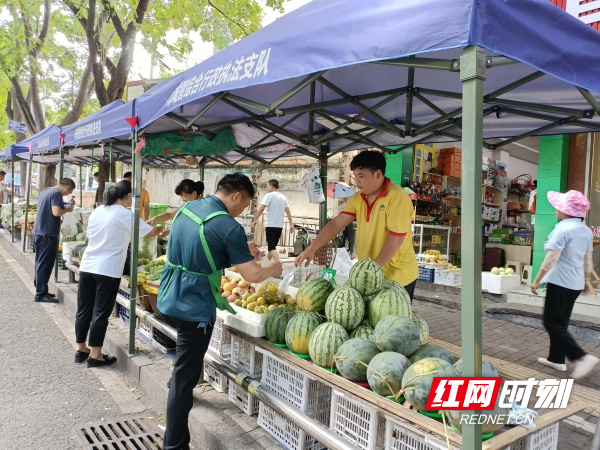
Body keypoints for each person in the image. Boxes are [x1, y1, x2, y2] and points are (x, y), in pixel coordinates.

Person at [157, 173, 282, 450]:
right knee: (184, 378)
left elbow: (200, 246)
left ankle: (179, 386)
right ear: (237, 196)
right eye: (246, 204)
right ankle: (174, 444)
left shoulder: (188, 207)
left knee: (183, 366)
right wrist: (273, 268)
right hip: (194, 304)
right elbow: (252, 274)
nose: (242, 210)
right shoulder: (228, 226)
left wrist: (241, 249)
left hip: (169, 295)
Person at [296, 150, 418, 300]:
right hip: (369, 275)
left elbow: (396, 238)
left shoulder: (397, 197)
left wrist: (373, 269)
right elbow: (336, 224)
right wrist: (312, 248)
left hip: (397, 276)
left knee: (393, 322)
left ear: (378, 174)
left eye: (361, 176)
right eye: (355, 177)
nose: (356, 182)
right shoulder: (358, 198)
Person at [74, 181, 164, 366]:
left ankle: (81, 349)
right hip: (107, 269)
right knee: (100, 312)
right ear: (128, 196)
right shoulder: (125, 214)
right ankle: (96, 355)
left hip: (88, 265)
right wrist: (160, 229)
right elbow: (151, 233)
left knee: (84, 309)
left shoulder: (98, 211)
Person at [531, 190, 599, 379]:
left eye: (558, 207)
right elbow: (588, 258)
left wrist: (536, 281)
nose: (555, 209)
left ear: (565, 211)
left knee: (551, 322)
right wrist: (586, 279)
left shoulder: (562, 229)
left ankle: (581, 357)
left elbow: (551, 259)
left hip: (560, 281)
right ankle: (556, 359)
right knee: (561, 322)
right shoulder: (584, 230)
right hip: (575, 283)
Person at [33, 178, 76, 303]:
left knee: (40, 263)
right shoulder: (56, 194)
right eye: (69, 192)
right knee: (45, 265)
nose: (67, 195)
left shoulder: (46, 191)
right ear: (67, 187)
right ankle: (40, 294)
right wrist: (69, 208)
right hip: (47, 234)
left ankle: (42, 290)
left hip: (40, 232)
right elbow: (56, 212)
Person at [251, 179, 295, 262]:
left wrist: (255, 220)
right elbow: (288, 211)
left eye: (267, 186)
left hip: (271, 225)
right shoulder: (283, 197)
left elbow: (261, 208)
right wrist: (291, 224)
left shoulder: (269, 195)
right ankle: (265, 265)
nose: (267, 188)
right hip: (279, 227)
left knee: (271, 248)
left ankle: (278, 266)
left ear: (271, 186)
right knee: (272, 248)